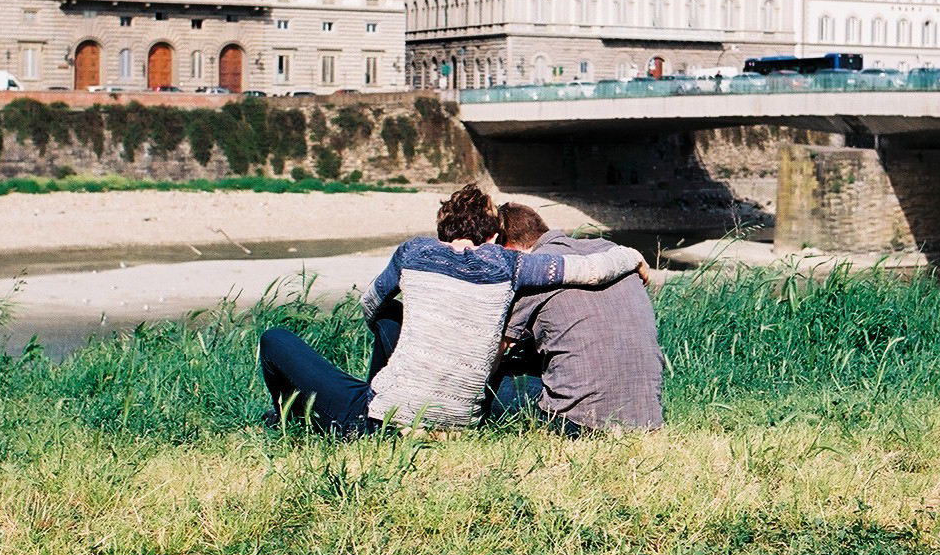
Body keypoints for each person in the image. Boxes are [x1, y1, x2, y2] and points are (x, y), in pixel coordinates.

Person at [257, 185, 647, 436]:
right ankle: (368, 402)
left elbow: (371, 304)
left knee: (275, 340)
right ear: (493, 236)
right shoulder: (510, 264)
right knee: (392, 324)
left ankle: (289, 419)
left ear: (441, 231)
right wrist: (632, 256)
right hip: (460, 420)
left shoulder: (413, 252)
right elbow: (591, 269)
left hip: (384, 419)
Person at [490, 202, 665, 434]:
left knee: (493, 384)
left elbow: (494, 354)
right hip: (647, 417)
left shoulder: (534, 270)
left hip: (579, 422)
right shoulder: (614, 253)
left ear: (508, 247)